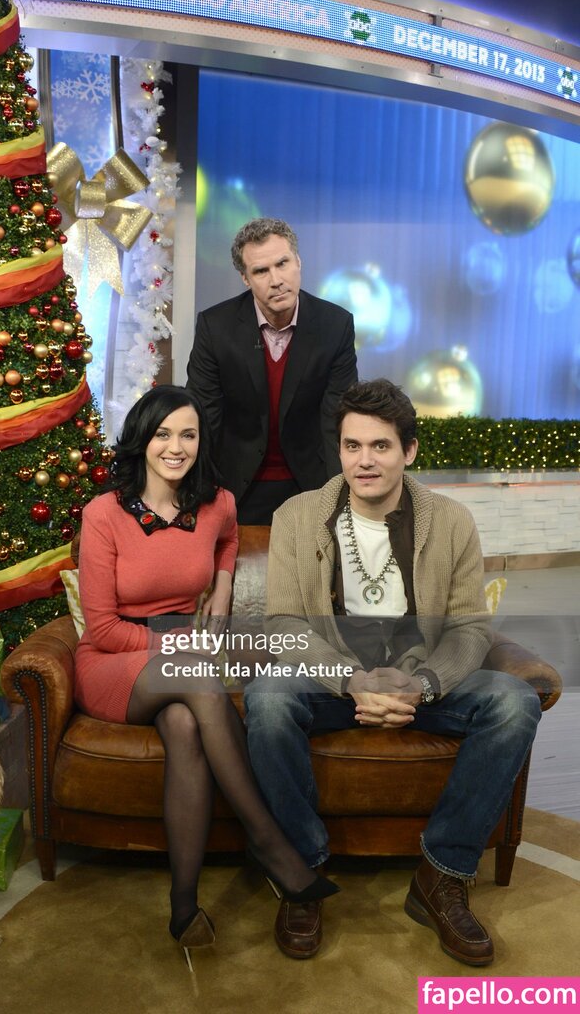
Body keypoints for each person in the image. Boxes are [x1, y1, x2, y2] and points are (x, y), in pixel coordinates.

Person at [244, 379, 542, 962]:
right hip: (332, 682)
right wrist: (350, 680)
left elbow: (468, 627)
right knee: (268, 698)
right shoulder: (298, 516)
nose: (364, 461)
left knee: (515, 700)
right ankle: (302, 873)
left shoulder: (450, 521)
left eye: (380, 446)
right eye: (352, 445)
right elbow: (283, 624)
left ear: (408, 451)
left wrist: (424, 684)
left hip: (421, 683)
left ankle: (441, 876)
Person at [73, 384, 335, 969]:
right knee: (196, 673)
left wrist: (222, 584)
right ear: (141, 440)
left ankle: (184, 906)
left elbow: (230, 538)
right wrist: (182, 644)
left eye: (188, 434)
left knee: (186, 727)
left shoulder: (217, 503)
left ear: (200, 441)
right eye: (163, 434)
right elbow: (103, 630)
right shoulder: (104, 514)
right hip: (116, 661)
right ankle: (269, 841)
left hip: (178, 662)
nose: (176, 446)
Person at [186, 217, 357, 524]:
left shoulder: (335, 325)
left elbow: (338, 420)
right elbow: (204, 417)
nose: (276, 280)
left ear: (298, 262)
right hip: (236, 485)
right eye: (261, 271)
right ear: (245, 278)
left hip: (311, 481)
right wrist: (200, 498)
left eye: (282, 263)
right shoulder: (215, 327)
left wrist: (339, 498)